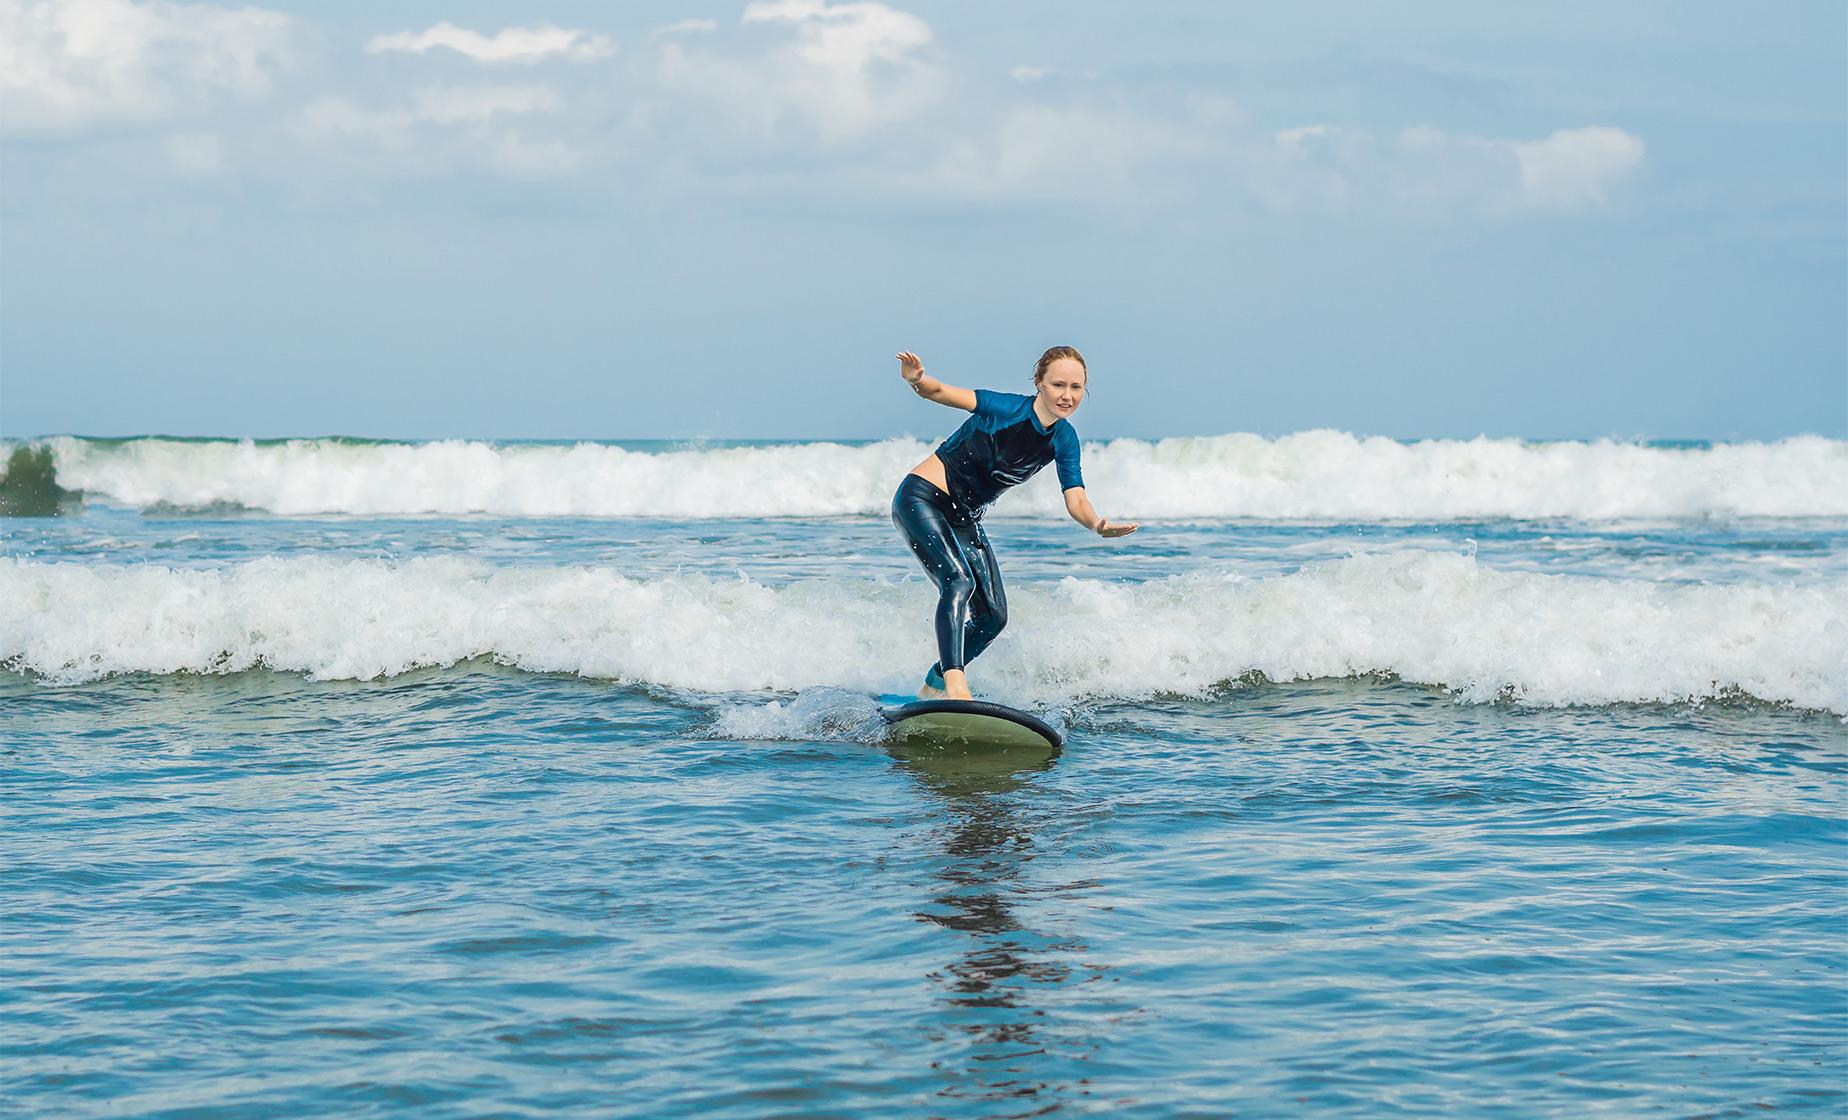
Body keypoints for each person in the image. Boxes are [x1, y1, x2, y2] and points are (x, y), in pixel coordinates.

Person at [891, 345, 1138, 701]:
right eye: (1058, 385)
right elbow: (940, 392)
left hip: (964, 516)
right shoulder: (1005, 408)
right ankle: (956, 686)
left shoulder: (1064, 438)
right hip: (923, 498)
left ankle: (935, 683)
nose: (1067, 396)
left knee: (993, 617)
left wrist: (1096, 525)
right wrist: (917, 380)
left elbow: (1076, 498)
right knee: (958, 581)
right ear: (1039, 383)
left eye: (1076, 387)